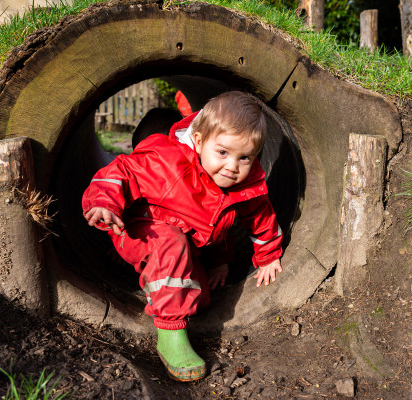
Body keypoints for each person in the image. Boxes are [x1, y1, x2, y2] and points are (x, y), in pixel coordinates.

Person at [82, 91, 283, 382]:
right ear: (199, 141)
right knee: (171, 243)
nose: (232, 166)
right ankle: (171, 334)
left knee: (199, 294)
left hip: (185, 247)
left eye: (244, 157)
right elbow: (121, 171)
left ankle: (160, 290)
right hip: (142, 230)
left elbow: (252, 219)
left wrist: (265, 256)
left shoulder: (243, 182)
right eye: (223, 153)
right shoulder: (167, 158)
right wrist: (104, 202)